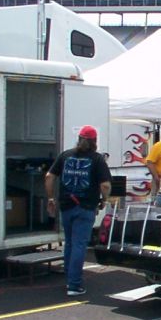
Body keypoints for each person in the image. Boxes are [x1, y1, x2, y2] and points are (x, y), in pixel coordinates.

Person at [45, 125, 112, 296]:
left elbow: (49, 176)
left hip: (66, 205)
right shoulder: (97, 159)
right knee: (80, 245)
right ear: (94, 142)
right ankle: (74, 285)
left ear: (79, 139)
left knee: (70, 242)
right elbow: (105, 185)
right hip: (86, 207)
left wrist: (51, 198)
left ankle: (69, 277)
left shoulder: (65, 155)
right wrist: (104, 200)